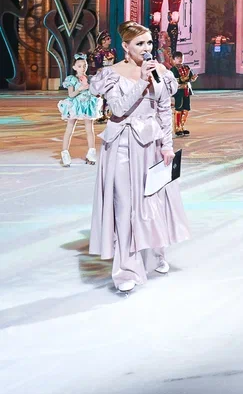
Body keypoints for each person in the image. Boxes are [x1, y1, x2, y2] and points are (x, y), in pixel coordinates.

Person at [89, 21, 189, 293]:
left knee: (151, 203)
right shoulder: (112, 74)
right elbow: (118, 108)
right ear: (125, 46)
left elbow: (164, 110)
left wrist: (167, 146)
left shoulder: (160, 72)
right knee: (124, 206)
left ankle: (156, 253)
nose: (146, 48)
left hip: (150, 145)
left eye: (149, 43)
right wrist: (142, 81)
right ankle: (126, 269)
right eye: (140, 43)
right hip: (121, 145)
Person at [58, 53, 100, 166]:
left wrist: (94, 90)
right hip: (75, 105)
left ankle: (91, 152)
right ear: (74, 67)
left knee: (89, 130)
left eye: (84, 65)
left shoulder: (90, 79)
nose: (82, 68)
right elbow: (71, 94)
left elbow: (94, 92)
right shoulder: (71, 79)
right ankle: (65, 153)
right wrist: (80, 88)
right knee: (69, 129)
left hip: (87, 105)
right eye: (80, 66)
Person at [170, 51, 197, 136]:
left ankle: (182, 126)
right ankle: (177, 128)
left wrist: (193, 78)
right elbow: (177, 80)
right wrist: (186, 79)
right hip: (179, 91)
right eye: (177, 58)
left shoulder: (186, 67)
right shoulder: (173, 69)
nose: (180, 59)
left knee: (186, 108)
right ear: (173, 60)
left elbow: (190, 78)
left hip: (186, 90)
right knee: (179, 108)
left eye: (181, 57)